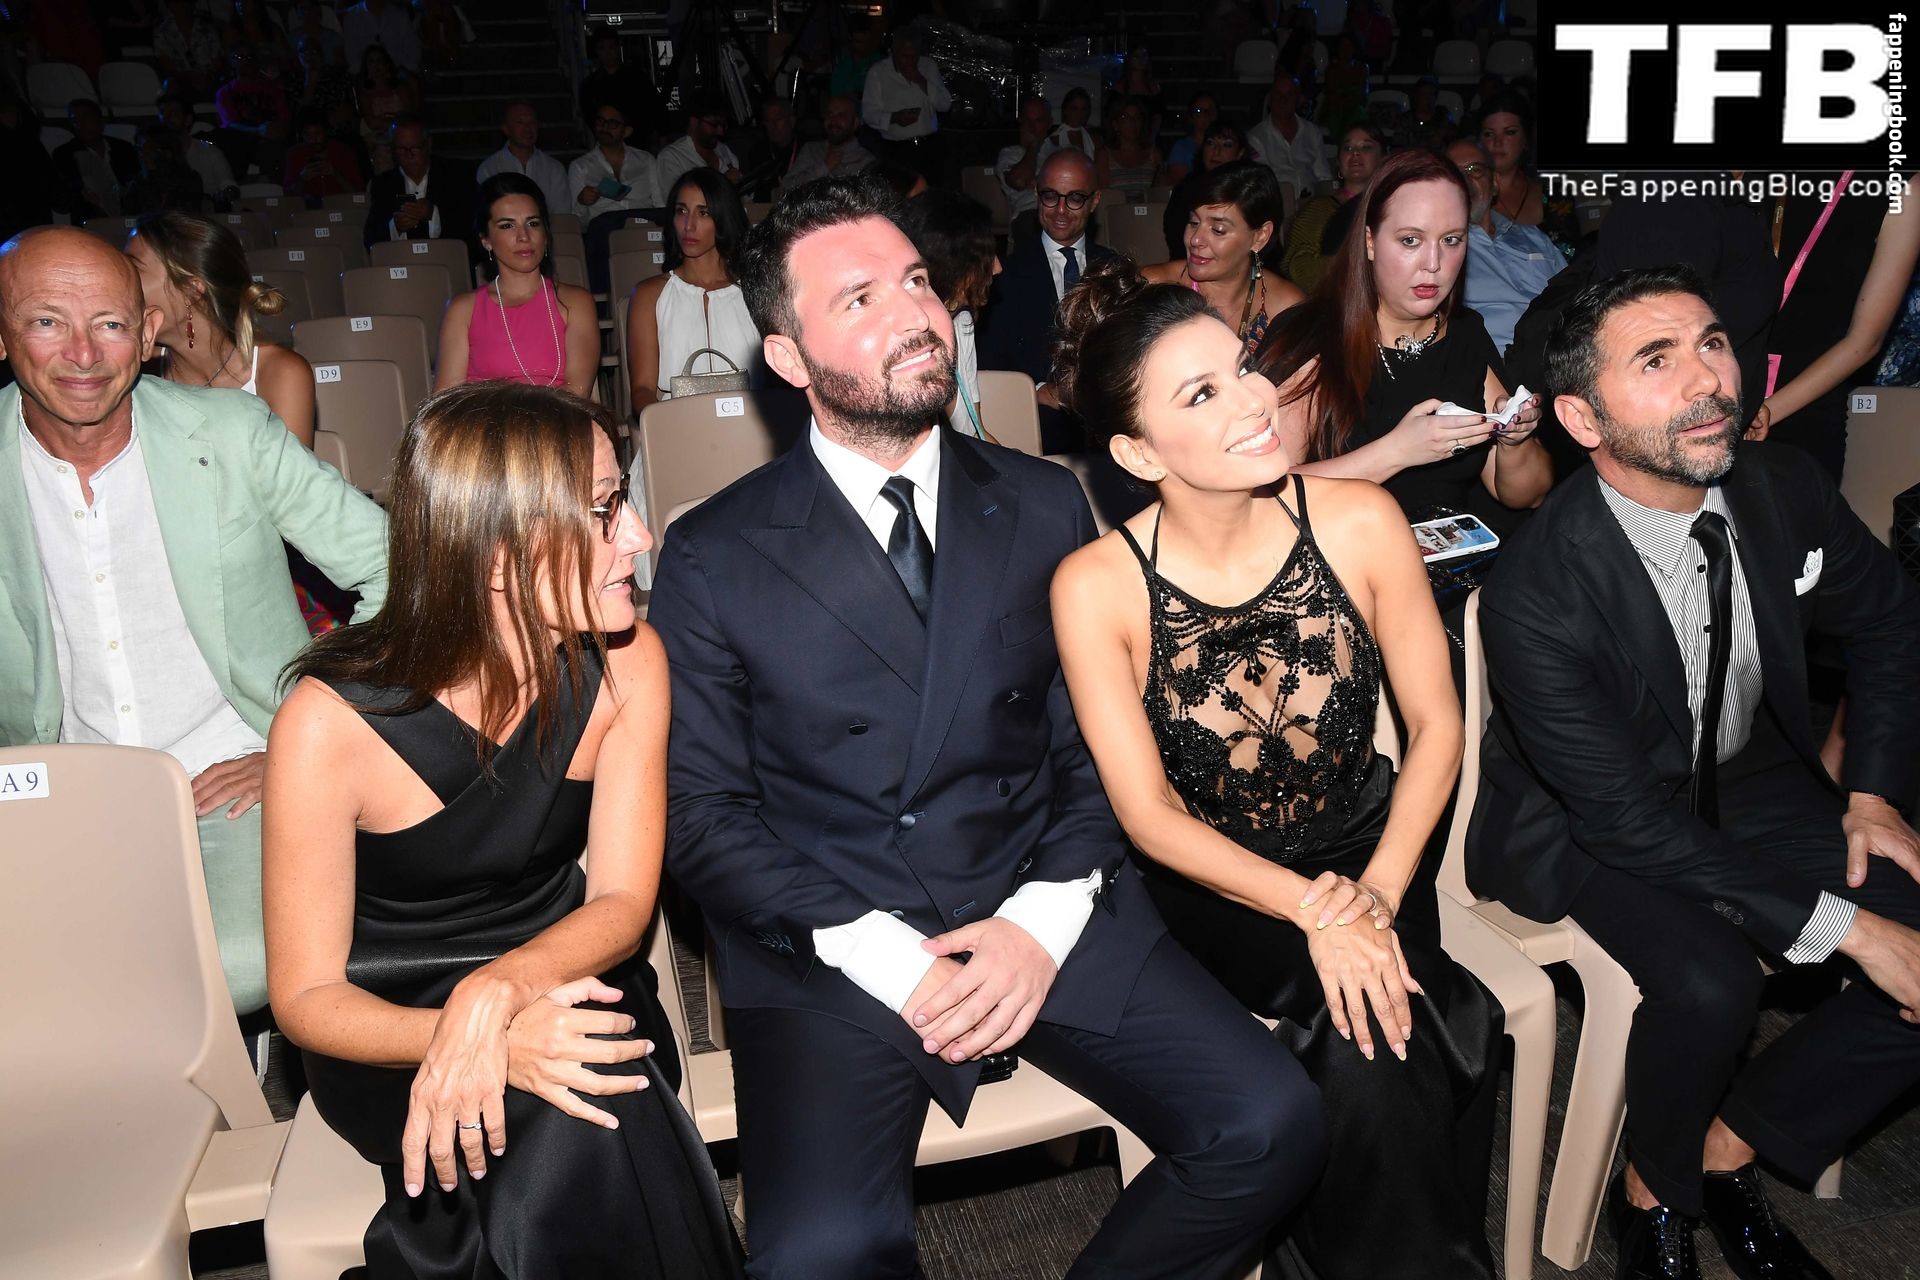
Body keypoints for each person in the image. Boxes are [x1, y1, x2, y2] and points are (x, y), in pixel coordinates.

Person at [647, 172, 1327, 1280]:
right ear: (787, 356)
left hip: (1037, 891)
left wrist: (1039, 923)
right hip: (836, 938)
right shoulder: (715, 552)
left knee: (1271, 1123)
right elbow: (701, 814)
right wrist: (883, 953)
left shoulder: (1044, 499)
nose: (915, 312)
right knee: (819, 1255)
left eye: (917, 281)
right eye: (861, 298)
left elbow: (1101, 751)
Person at [1466, 264, 1920, 1280]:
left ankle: (1726, 1148)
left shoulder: (1783, 486)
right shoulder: (1538, 588)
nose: (1709, 379)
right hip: (1586, 815)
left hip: (1747, 771)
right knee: (1711, 984)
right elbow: (1624, 819)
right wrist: (1852, 928)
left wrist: (1873, 793)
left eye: (1712, 343)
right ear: (1581, 418)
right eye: (1657, 360)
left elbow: (1893, 621)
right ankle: (1654, 1195)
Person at [1050, 259, 1499, 1280]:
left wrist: (1374, 895)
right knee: (1393, 1020)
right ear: (1136, 450)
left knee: (1373, 1029)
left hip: (1377, 851)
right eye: (1200, 394)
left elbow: (1437, 727)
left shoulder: (1359, 519)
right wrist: (1311, 911)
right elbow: (1148, 815)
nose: (1254, 400)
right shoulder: (1097, 584)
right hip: (1219, 884)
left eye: (1242, 367)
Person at [264, 382, 746, 1280]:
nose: (640, 536)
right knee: (592, 1107)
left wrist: (500, 991)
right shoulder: (329, 723)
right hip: (390, 1027)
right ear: (496, 554)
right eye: (603, 511)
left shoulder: (632, 663)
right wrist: (476, 1032)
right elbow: (306, 998)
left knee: (584, 1093)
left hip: (565, 964)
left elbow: (622, 901)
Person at [0, 227, 387, 1022]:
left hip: (231, 774)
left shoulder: (230, 434)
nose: (83, 354)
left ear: (148, 334)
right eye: (46, 322)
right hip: (55, 792)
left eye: (109, 323)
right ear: (2, 334)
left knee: (232, 969)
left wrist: (307, 742)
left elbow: (396, 568)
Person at [1256, 149, 1546, 648]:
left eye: (1451, 240)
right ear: (1369, 241)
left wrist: (1514, 439)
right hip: (1336, 574)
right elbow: (1262, 493)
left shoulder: (1463, 334)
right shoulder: (1314, 336)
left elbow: (1523, 494)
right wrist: (1397, 450)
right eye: (1410, 240)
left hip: (1453, 573)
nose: (1433, 264)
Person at [1754, 190, 1920, 479]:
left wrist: (1763, 412)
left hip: (1802, 416)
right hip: (1720, 393)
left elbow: (1864, 341)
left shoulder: (1901, 188)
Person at [126, 211, 314, 448]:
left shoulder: (280, 374)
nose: (119, 283)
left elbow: (292, 472)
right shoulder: (136, 369)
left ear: (191, 292)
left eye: (132, 271)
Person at [976, 148, 1121, 448]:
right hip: (1033, 419)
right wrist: (1037, 389)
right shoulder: (1004, 273)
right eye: (1050, 196)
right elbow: (990, 355)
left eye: (1075, 198)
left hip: (1108, 419)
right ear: (1036, 194)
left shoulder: (1114, 269)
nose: (1061, 210)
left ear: (1095, 200)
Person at [437, 174, 599, 397]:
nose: (524, 236)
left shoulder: (575, 302)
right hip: (484, 419)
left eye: (533, 223)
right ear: (486, 240)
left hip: (559, 417)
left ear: (545, 234)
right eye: (507, 226)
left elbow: (577, 392)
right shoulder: (463, 309)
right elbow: (447, 401)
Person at [623, 168, 759, 413]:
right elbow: (642, 389)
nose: (689, 225)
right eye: (681, 211)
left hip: (749, 422)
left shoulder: (755, 290)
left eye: (703, 212)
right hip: (676, 422)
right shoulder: (649, 295)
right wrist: (668, 427)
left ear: (723, 218)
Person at [1143, 161, 1304, 358]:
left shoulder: (1285, 307)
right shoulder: (1151, 289)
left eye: (1218, 230)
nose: (1195, 240)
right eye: (1193, 222)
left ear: (1260, 237)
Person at [895, 188, 1001, 438]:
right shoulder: (911, 345)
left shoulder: (962, 322)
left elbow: (975, 432)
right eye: (986, 259)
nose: (997, 268)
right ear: (954, 269)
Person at [1446, 135, 1562, 358]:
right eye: (1453, 173)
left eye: (1475, 170)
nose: (1464, 180)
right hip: (1501, 363)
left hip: (1565, 352)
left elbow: (1574, 290)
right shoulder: (1442, 250)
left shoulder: (1534, 237)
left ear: (1494, 185)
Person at [1282, 122, 1384, 293]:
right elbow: (1297, 268)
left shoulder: (1394, 209)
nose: (1355, 153)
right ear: (1339, 162)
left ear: (1383, 159)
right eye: (1348, 148)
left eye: (1366, 147)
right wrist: (1356, 265)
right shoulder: (1319, 208)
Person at [364, 115, 479, 263]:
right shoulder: (383, 184)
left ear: (428, 145)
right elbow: (371, 238)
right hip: (402, 263)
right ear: (393, 150)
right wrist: (395, 227)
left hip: (448, 261)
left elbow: (471, 224)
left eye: (415, 148)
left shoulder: (456, 174)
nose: (409, 155)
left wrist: (433, 214)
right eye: (402, 149)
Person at [860, 26, 950, 166]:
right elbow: (868, 114)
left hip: (929, 145)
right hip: (896, 149)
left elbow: (945, 105)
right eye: (905, 56)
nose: (910, 62)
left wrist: (921, 81)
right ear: (894, 52)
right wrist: (894, 118)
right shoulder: (878, 72)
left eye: (914, 56)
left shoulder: (928, 66)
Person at [475, 100, 573, 225]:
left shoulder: (554, 168)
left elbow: (562, 215)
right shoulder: (490, 168)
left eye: (532, 122)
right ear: (506, 129)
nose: (527, 128)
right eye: (520, 122)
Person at [1161, 119, 1248, 260]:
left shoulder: (1248, 189)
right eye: (1210, 143)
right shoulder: (1187, 188)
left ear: (1240, 153)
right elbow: (1175, 235)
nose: (1216, 151)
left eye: (1227, 145)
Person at [51, 99, 139, 221]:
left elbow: (136, 182)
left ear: (100, 121)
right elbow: (62, 199)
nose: (81, 125)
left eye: (86, 118)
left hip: (127, 216)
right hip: (91, 220)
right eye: (75, 120)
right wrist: (82, 194)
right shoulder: (65, 155)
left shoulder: (123, 148)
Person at [1247, 75, 1331, 199]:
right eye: (1278, 94)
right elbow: (1262, 181)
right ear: (1270, 99)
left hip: (1312, 203)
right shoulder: (1256, 137)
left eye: (1289, 94)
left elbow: (1323, 175)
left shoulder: (1312, 132)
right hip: (1277, 203)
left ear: (1299, 100)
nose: (1283, 99)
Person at [579, 30, 661, 150]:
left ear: (618, 47)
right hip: (606, 142)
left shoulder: (638, 78)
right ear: (597, 52)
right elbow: (590, 116)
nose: (607, 52)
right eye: (602, 48)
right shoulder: (590, 85)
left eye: (611, 47)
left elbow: (653, 108)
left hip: (638, 142)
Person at [654, 98, 743, 201]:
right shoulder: (672, 157)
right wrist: (723, 183)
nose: (720, 132)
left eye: (723, 126)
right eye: (714, 125)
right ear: (694, 122)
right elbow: (677, 202)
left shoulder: (724, 150)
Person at [1476, 94, 1544, 229]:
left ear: (1525, 139)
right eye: (1489, 134)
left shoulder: (1551, 195)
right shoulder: (1467, 193)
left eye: (1509, 132)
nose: (1497, 142)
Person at [995, 93, 1052, 248]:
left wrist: (1036, 183)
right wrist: (1033, 147)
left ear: (1049, 123)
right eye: (1028, 120)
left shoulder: (1060, 153)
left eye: (1038, 121)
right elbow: (1019, 181)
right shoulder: (1010, 154)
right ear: (1021, 121)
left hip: (1060, 210)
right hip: (1029, 214)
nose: (1032, 127)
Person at [783, 94, 874, 190]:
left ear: (855, 123)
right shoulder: (812, 150)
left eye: (841, 116)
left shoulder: (866, 161)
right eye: (829, 114)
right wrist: (823, 168)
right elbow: (786, 186)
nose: (833, 120)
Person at [120, 123, 206, 216]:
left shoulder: (190, 180)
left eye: (148, 150)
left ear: (167, 153)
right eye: (139, 149)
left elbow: (188, 217)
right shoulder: (138, 183)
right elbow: (127, 220)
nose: (142, 155)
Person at [282, 109, 365, 199]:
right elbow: (288, 196)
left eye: (318, 133)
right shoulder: (295, 153)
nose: (314, 140)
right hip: (309, 206)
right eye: (308, 135)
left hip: (341, 204)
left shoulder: (342, 151)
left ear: (326, 131)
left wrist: (335, 174)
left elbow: (358, 194)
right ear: (302, 135)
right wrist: (302, 178)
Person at [354, 45, 420, 155]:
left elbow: (408, 115)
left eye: (379, 60)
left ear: (386, 64)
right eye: (371, 62)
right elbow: (372, 122)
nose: (376, 65)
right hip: (377, 138)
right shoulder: (364, 93)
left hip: (401, 133)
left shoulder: (400, 88)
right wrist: (395, 123)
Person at [1097, 96, 1162, 202]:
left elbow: (1160, 193)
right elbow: (1103, 196)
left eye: (1137, 117)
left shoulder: (1154, 154)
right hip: (1117, 211)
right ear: (1115, 124)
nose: (1133, 122)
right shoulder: (1105, 155)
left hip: (1148, 211)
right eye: (1126, 117)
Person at [739, 97, 798, 202]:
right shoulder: (758, 152)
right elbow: (756, 192)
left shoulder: (807, 149)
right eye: (768, 121)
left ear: (792, 120)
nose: (773, 126)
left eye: (778, 119)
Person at [340, 0, 420, 74]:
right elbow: (352, 59)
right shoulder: (352, 18)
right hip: (366, 79)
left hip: (399, 78)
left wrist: (399, 73)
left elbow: (413, 53)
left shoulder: (400, 15)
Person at [1160, 91, 1218, 187]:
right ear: (1191, 117)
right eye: (1199, 111)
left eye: (1210, 110)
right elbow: (1180, 183)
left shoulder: (1225, 145)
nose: (1206, 115)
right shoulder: (1182, 147)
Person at [1039, 87, 1100, 170]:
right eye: (1074, 108)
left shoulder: (1093, 139)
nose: (1079, 114)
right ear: (1065, 110)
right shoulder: (1053, 140)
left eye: (1083, 109)